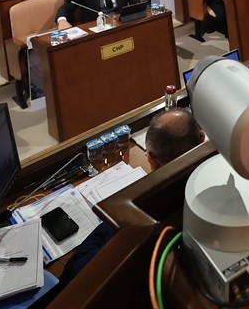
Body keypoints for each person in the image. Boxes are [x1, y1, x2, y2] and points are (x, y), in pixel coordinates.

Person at [58, 107, 205, 286]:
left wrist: (110, 218)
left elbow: (73, 275)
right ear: (202, 137)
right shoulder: (220, 178)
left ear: (151, 159)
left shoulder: (134, 218)